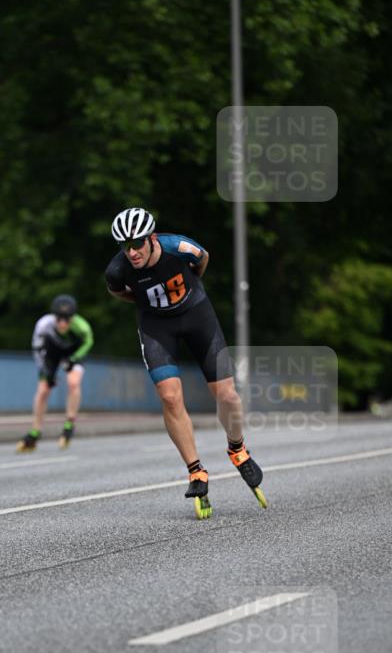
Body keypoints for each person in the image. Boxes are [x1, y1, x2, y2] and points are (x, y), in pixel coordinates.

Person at [105, 207, 266, 518]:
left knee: (227, 394)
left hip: (197, 315)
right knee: (169, 396)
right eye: (125, 247)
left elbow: (202, 260)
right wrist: (148, 302)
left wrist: (190, 290)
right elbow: (119, 293)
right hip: (157, 327)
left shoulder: (178, 248)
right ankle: (196, 470)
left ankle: (237, 449)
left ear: (151, 238)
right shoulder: (116, 271)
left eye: (137, 244)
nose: (132, 252)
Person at [16, 294, 94, 452]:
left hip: (73, 353)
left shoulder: (82, 327)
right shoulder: (44, 325)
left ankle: (69, 424)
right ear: (54, 316)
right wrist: (45, 371)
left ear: (73, 317)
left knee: (73, 382)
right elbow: (37, 350)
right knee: (43, 389)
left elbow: (88, 342)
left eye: (67, 319)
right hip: (52, 354)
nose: (63, 323)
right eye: (59, 319)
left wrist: (74, 359)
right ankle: (35, 431)